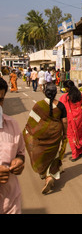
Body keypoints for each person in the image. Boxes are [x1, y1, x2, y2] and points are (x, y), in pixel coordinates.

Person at [23, 83, 67, 194]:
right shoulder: (61, 106)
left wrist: (28, 131)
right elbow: (65, 121)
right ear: (55, 93)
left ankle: (45, 174)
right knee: (54, 154)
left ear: (45, 92)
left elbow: (32, 121)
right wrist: (65, 134)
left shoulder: (39, 105)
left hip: (42, 135)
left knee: (42, 153)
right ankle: (50, 175)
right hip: (56, 133)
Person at [0, 77, 25, 214]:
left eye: (0, 100)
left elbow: (20, 153)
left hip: (11, 204)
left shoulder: (12, 125)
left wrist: (19, 162)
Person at [59, 80, 82, 161]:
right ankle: (81, 150)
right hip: (79, 117)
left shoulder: (64, 97)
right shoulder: (81, 95)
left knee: (71, 136)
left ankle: (75, 154)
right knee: (79, 133)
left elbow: (60, 109)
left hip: (70, 119)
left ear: (67, 88)